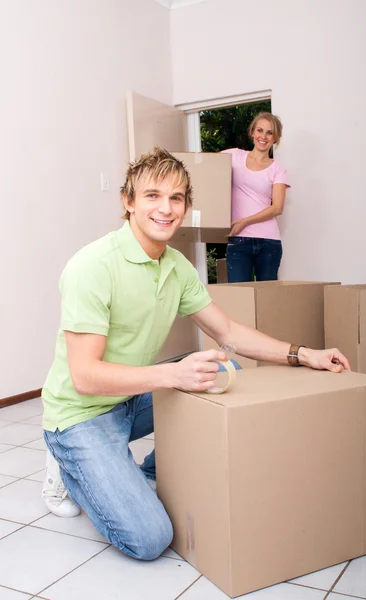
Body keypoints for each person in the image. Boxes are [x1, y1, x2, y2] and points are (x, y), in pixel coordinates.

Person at [41, 146, 349, 560]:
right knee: (150, 540)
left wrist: (303, 353)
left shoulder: (177, 267)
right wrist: (171, 375)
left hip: (129, 398)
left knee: (225, 368)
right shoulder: (93, 266)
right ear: (128, 202)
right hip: (80, 414)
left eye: (176, 198)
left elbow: (228, 333)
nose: (165, 209)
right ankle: (68, 465)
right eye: (152, 195)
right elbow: (86, 376)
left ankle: (137, 470)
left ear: (185, 207)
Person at [222, 112, 289, 282]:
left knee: (267, 299)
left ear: (275, 138)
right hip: (238, 240)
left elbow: (277, 207)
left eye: (270, 132)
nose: (263, 136)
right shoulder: (234, 156)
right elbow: (206, 166)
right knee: (239, 296)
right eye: (260, 130)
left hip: (269, 242)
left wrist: (245, 222)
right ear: (252, 132)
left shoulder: (278, 169)